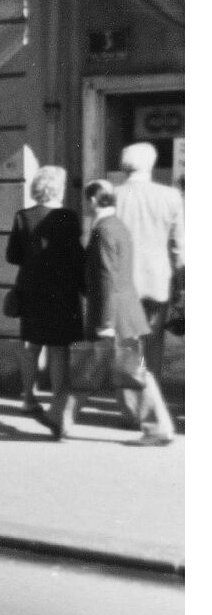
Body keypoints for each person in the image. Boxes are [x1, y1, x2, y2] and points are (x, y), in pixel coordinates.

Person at [44, 180, 175, 446]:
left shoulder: (103, 231)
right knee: (111, 370)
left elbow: (107, 277)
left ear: (92, 202)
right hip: (125, 316)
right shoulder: (118, 226)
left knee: (115, 372)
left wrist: (105, 321)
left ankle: (158, 427)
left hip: (114, 319)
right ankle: (59, 418)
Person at [4, 165, 85, 421]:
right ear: (58, 189)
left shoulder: (22, 217)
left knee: (32, 345)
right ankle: (58, 402)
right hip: (62, 291)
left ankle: (28, 398)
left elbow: (12, 256)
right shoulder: (69, 218)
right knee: (59, 347)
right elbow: (76, 258)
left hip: (31, 290)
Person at [114, 142, 184, 424]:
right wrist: (181, 282)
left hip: (122, 281)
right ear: (151, 165)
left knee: (128, 345)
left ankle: (131, 409)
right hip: (157, 280)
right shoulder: (169, 196)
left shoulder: (113, 195)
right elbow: (180, 246)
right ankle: (150, 406)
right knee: (153, 343)